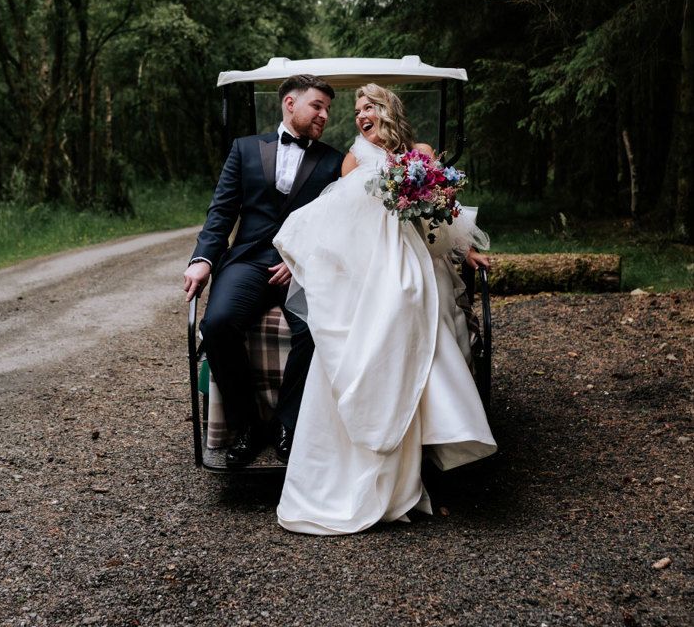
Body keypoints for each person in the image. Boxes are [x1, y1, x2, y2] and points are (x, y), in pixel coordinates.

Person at [273, 82, 497, 534]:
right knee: (386, 307)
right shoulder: (353, 160)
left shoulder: (419, 153)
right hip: (370, 262)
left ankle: (428, 444)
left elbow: (439, 212)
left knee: (416, 298)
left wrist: (467, 248)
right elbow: (338, 217)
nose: (360, 115)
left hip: (415, 255)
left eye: (369, 107)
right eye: (356, 110)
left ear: (388, 109)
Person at [183, 75, 343, 467]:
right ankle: (249, 425)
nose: (324, 115)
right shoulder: (245, 149)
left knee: (316, 328)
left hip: (305, 268)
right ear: (290, 104)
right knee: (217, 324)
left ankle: (289, 424)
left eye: (327, 109)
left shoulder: (336, 161)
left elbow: (339, 223)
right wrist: (203, 260)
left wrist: (301, 258)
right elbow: (222, 211)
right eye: (316, 106)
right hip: (250, 262)